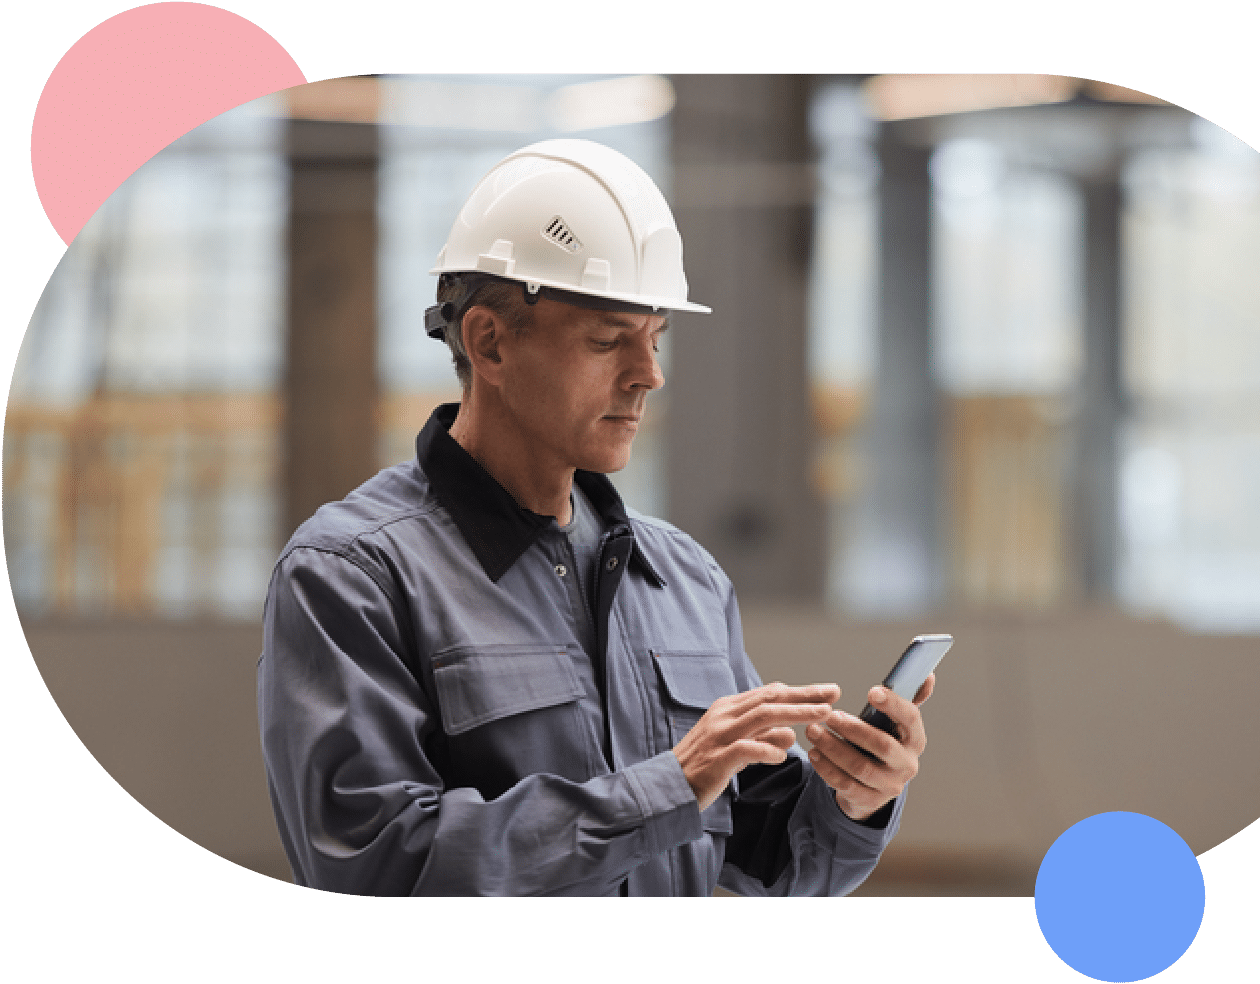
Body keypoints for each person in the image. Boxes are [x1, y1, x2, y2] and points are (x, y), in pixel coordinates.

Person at [257, 139, 933, 896]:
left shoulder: (684, 580)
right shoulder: (353, 577)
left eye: (654, 338)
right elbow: (377, 868)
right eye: (609, 340)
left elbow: (762, 866)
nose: (649, 374)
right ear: (489, 341)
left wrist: (852, 802)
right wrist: (667, 788)